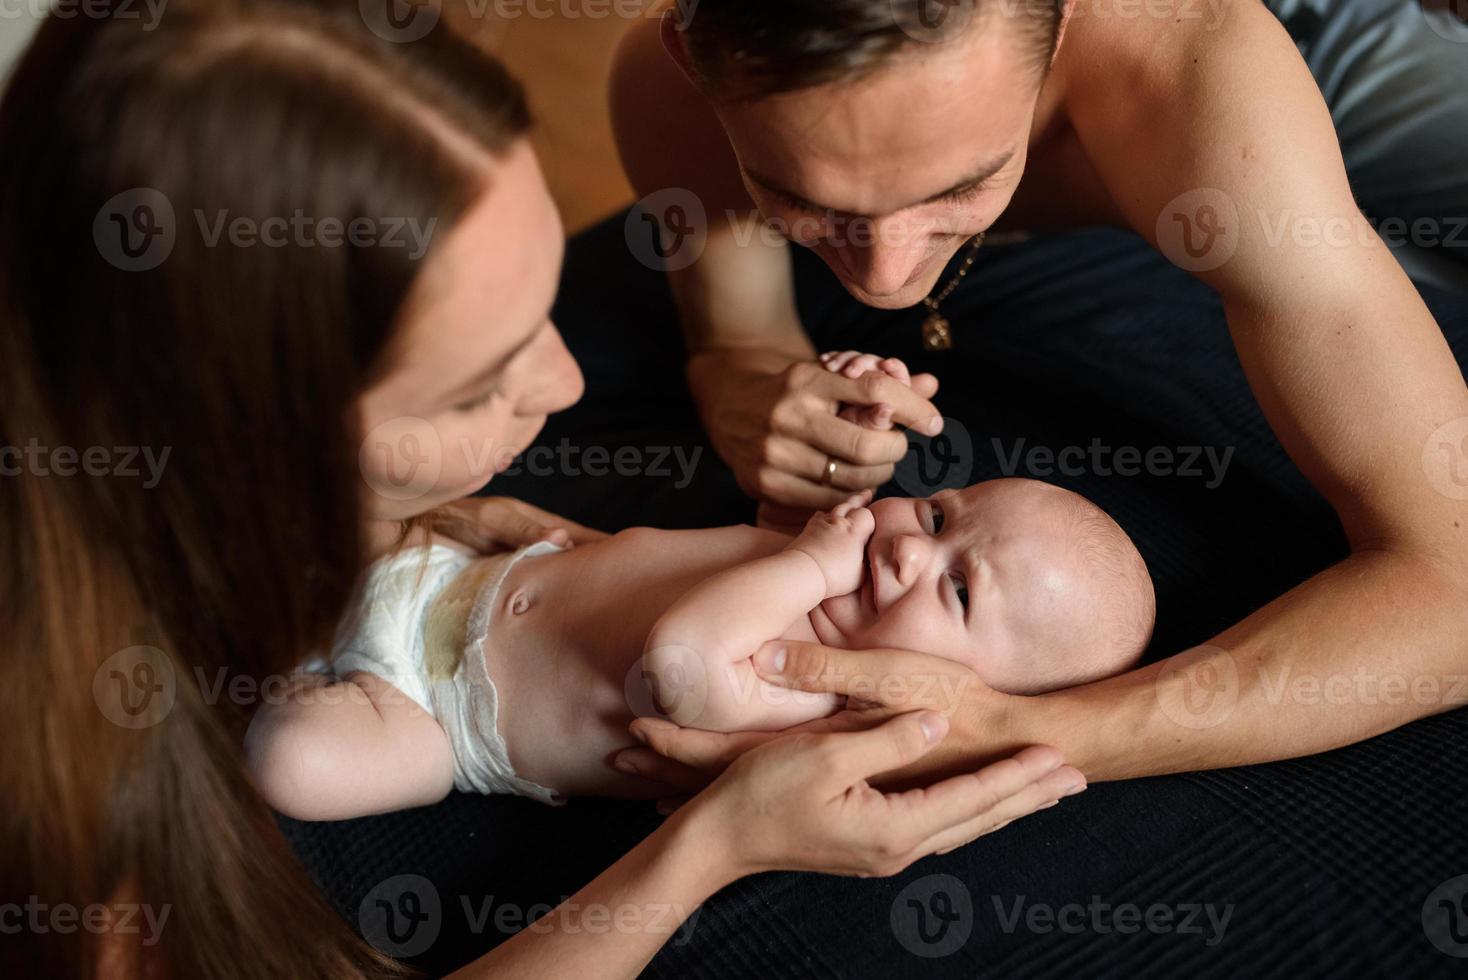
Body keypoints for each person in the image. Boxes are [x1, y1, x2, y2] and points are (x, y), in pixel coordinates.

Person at [0, 4, 1084, 977]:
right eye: (481, 382)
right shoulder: (77, 818)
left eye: (546, 310)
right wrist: (707, 847)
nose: (566, 385)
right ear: (238, 441)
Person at [606, 0, 1468, 800]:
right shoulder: (664, 85)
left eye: (955, 189)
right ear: (690, 57)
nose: (886, 277)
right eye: (802, 200)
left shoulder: (1198, 85)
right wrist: (753, 392)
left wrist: (1028, 731)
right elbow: (740, 344)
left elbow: (1453, 589)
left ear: (1063, 22)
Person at [245, 473, 1144, 820]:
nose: (909, 544)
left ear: (952, 691)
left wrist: (803, 564)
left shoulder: (807, 706)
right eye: (941, 512)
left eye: (955, 588)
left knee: (297, 765)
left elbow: (679, 661)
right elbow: (759, 511)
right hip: (452, 574)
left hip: (434, 715)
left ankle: (276, 676)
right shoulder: (819, 553)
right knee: (295, 496)